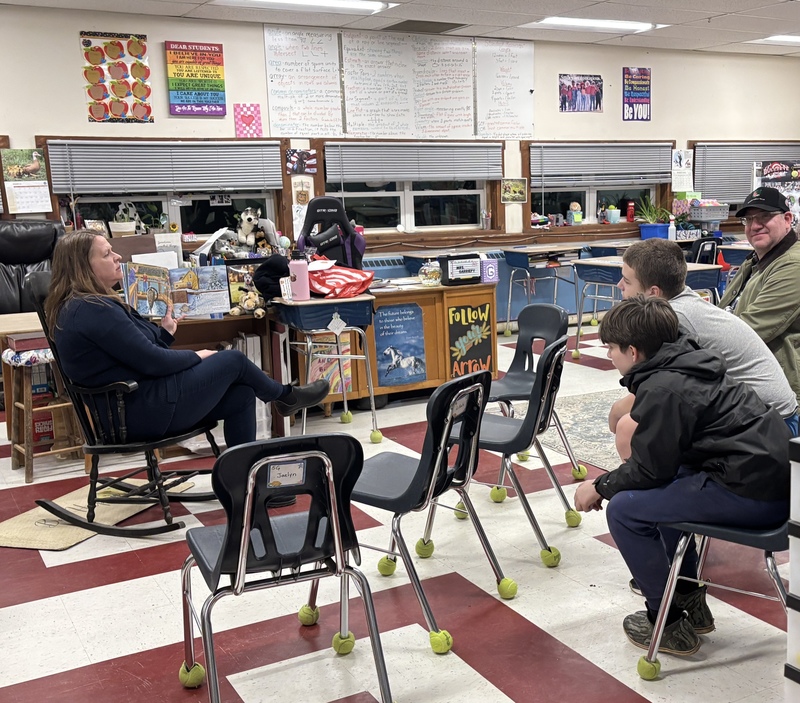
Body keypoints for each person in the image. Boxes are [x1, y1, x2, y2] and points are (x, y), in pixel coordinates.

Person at [574, 296, 790, 656]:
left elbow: (648, 469)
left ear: (632, 351)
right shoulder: (687, 361)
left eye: (611, 348)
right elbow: (662, 466)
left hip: (754, 496)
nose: (609, 355)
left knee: (625, 510)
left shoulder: (664, 388)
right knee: (671, 484)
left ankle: (667, 621)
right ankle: (689, 599)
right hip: (771, 483)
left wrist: (599, 485)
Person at [45, 230, 330, 449]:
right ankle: (284, 397)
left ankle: (246, 477)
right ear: (83, 266)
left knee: (241, 395)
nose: (117, 256)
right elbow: (154, 362)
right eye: (107, 254)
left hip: (138, 402)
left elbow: (140, 352)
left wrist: (165, 333)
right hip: (138, 411)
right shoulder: (92, 310)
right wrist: (200, 355)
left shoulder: (88, 305)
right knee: (231, 359)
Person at [610, 238, 798, 460]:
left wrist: (619, 411)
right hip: (772, 414)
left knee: (628, 428)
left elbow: (661, 391)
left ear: (653, 292)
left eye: (626, 281)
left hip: (770, 427)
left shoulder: (673, 319)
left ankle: (650, 490)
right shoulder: (685, 301)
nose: (619, 286)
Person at [719, 186, 800, 408]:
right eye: (748, 219)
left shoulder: (793, 265)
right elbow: (721, 314)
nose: (755, 225)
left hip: (779, 392)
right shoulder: (754, 261)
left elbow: (749, 330)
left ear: (787, 219)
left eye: (765, 216)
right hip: (744, 378)